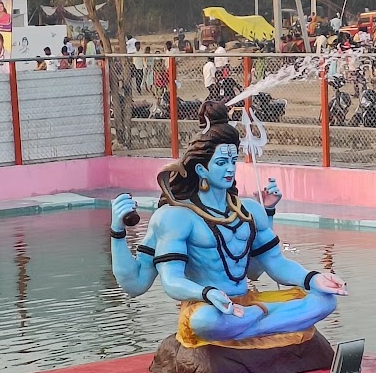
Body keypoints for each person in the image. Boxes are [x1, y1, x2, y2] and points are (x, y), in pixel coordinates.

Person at [108, 122, 345, 351]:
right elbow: (159, 282)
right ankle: (267, 320)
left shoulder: (250, 211)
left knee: (325, 300)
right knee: (204, 322)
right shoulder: (176, 217)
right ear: (201, 169)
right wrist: (117, 232)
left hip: (247, 303)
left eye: (233, 161)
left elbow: (271, 265)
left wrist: (313, 278)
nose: (230, 168)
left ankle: (252, 322)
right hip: (208, 306)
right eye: (221, 162)